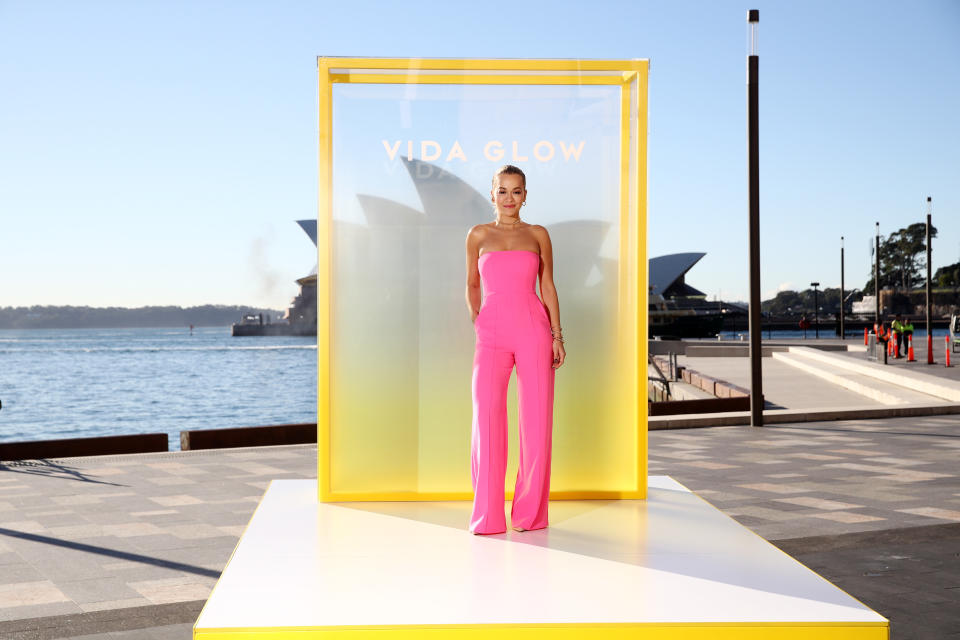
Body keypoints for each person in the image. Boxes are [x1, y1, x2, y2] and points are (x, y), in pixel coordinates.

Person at [464, 164, 565, 535]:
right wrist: (480, 321)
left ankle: (530, 515)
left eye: (517, 191)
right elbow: (472, 285)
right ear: (492, 194)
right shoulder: (477, 235)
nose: (509, 198)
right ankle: (487, 517)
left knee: (536, 423)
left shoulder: (538, 234)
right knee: (486, 421)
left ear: (526, 195)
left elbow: (548, 286)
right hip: (491, 335)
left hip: (534, 332)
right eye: (502, 190)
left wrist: (557, 335)